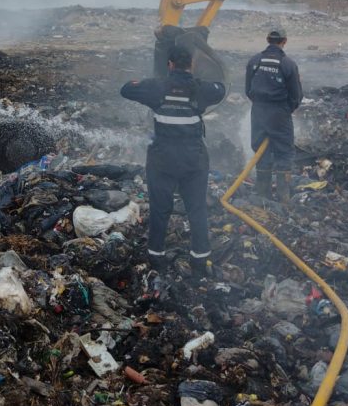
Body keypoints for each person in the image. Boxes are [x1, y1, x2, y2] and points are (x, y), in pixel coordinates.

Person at [121, 45, 226, 278]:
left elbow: (126, 89)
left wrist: (150, 82)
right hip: (194, 161)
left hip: (162, 161)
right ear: (191, 65)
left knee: (160, 210)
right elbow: (221, 90)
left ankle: (156, 258)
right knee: (197, 209)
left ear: (169, 65)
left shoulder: (156, 87)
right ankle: (200, 260)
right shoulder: (201, 89)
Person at [245, 27, 303, 202]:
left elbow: (248, 90)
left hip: (258, 111)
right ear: (284, 41)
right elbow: (296, 95)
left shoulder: (254, 60)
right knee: (284, 153)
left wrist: (260, 105)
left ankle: (262, 193)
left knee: (260, 151)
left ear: (267, 39)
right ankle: (283, 196)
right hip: (279, 112)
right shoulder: (288, 64)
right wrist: (286, 110)